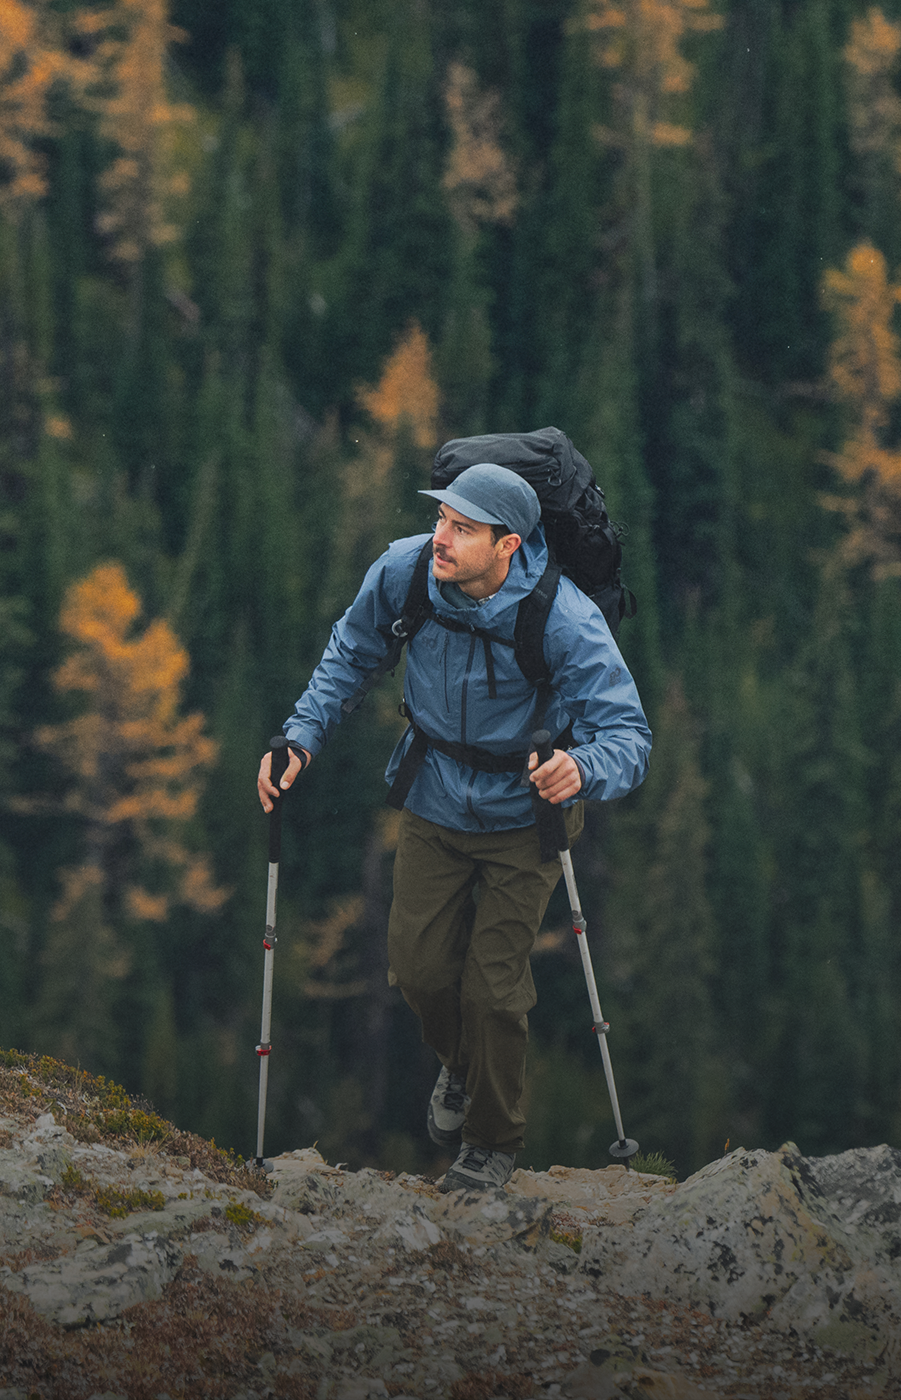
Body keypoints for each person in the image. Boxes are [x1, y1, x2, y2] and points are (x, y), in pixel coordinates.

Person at [258, 462, 651, 1192]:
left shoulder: (562, 617)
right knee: (417, 968)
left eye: (461, 529)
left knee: (494, 989)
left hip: (525, 815)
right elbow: (352, 650)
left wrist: (582, 769)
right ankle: (465, 1071)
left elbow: (629, 734)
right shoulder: (407, 574)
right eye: (441, 519)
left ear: (508, 545)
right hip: (435, 797)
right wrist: (301, 736)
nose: (439, 538)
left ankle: (491, 1143)